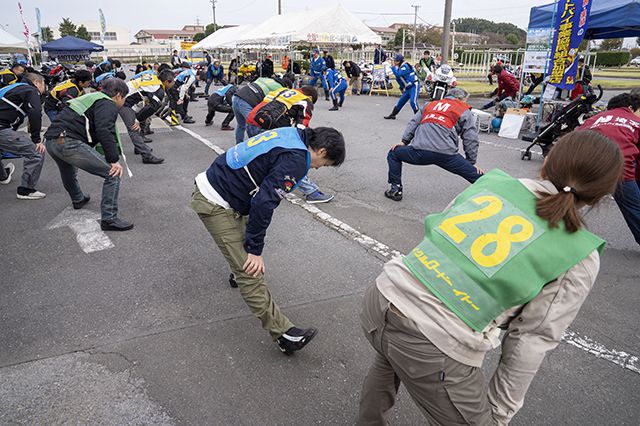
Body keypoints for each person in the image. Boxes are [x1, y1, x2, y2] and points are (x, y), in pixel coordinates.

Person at [357, 130, 623, 425]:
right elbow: (531, 339)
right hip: (434, 342)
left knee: (389, 357)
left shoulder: (492, 184)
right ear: (601, 196)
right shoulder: (579, 253)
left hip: (383, 298)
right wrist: (496, 414)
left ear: (547, 162)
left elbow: (439, 237)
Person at [189, 126, 345, 354]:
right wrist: (254, 249)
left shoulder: (293, 133)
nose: (319, 168)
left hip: (221, 183)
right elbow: (264, 203)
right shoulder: (297, 159)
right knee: (250, 270)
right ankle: (283, 334)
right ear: (321, 151)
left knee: (246, 241)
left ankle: (237, 271)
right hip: (215, 202)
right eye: (325, 164)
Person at [44, 78, 134, 231]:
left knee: (68, 171)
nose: (123, 102)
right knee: (112, 174)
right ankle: (109, 218)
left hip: (52, 140)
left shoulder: (92, 98)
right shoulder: (107, 103)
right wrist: (113, 160)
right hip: (68, 142)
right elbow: (104, 130)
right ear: (118, 95)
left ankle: (78, 198)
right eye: (124, 98)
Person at [385, 88, 482, 201]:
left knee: (394, 153)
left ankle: (395, 189)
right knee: (479, 177)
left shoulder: (429, 105)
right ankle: (494, 198)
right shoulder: (463, 109)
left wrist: (404, 142)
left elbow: (413, 123)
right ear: (461, 99)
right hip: (447, 155)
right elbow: (471, 138)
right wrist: (471, 162)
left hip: (420, 152)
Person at [245, 86, 335, 204]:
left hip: (252, 122)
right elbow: (301, 129)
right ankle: (311, 192)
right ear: (311, 97)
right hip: (268, 129)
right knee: (292, 159)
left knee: (260, 155)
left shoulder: (282, 90)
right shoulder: (305, 100)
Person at [578, 92, 640, 245]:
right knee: (635, 208)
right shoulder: (635, 122)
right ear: (631, 108)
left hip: (578, 163)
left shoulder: (593, 119)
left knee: (567, 198)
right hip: (617, 168)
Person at [0, 73, 47, 199]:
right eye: (44, 85)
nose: (44, 89)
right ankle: (26, 190)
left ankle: (3, 176)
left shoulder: (13, 88)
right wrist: (36, 140)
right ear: (37, 82)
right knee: (36, 152)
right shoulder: (31, 89)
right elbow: (35, 112)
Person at [119, 69, 175, 164]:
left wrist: (140, 118)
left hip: (128, 99)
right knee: (134, 128)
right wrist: (137, 119)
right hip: (123, 102)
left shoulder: (154, 79)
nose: (174, 83)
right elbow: (152, 107)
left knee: (143, 120)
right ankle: (147, 156)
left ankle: (139, 148)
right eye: (173, 81)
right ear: (166, 81)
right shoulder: (157, 89)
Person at [231, 76, 292, 143]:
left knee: (241, 125)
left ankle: (238, 146)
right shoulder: (279, 88)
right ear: (287, 86)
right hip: (247, 102)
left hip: (236, 97)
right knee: (253, 124)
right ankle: (253, 147)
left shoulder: (266, 79)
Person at [384, 54, 421, 120]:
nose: (394, 62)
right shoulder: (400, 66)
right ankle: (393, 114)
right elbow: (400, 79)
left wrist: (393, 67)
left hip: (414, 86)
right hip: (408, 86)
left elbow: (398, 75)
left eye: (395, 61)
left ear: (399, 61)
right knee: (401, 101)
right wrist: (401, 87)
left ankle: (419, 118)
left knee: (413, 102)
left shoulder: (405, 66)